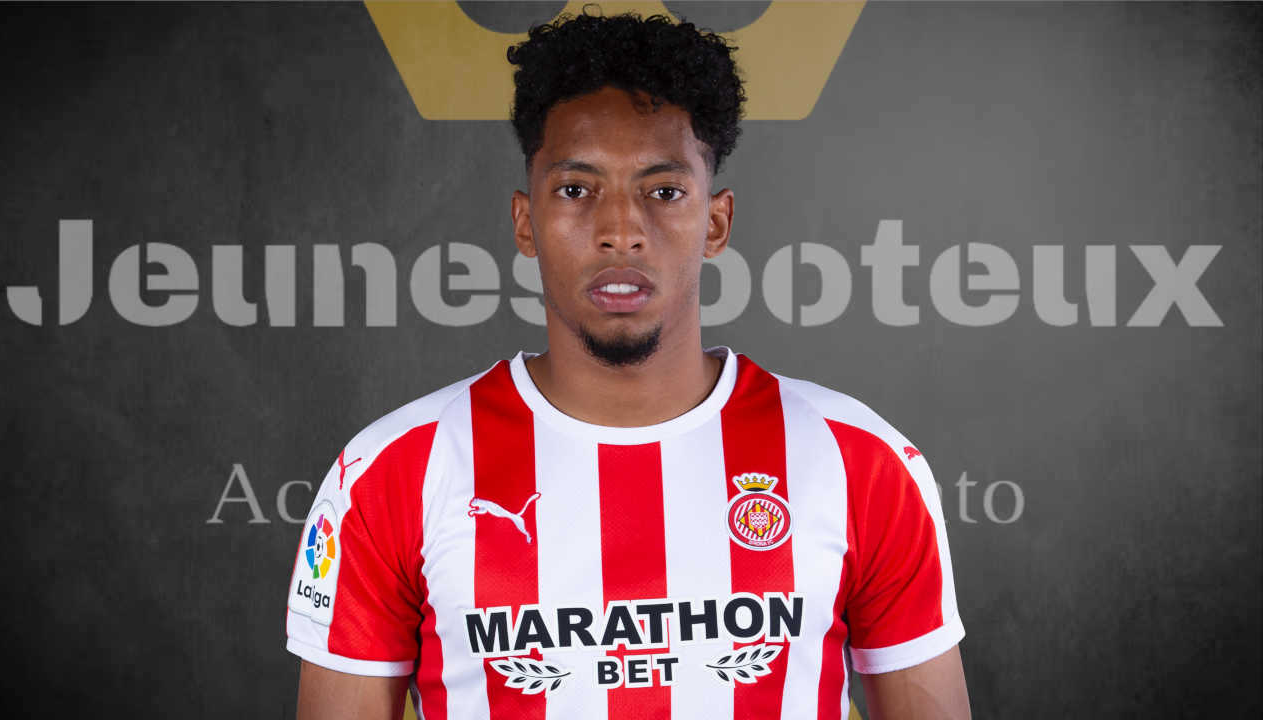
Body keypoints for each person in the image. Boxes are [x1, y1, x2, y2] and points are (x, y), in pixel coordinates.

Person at [288, 10, 970, 720]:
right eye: (576, 190)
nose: (620, 231)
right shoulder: (392, 474)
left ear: (716, 222)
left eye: (663, 191)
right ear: (525, 222)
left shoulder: (859, 461)